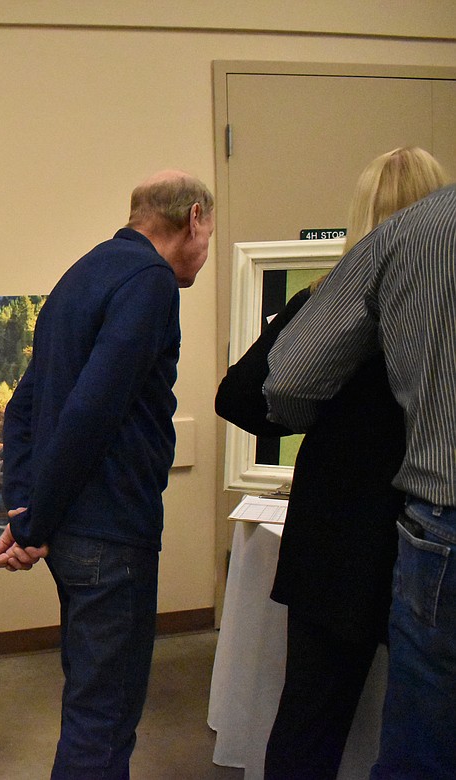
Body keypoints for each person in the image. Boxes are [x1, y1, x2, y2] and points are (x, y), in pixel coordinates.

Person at [216, 147, 449, 779]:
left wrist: (320, 416)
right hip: (425, 529)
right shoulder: (438, 316)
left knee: (312, 716)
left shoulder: (331, 302)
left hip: (342, 536)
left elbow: (240, 396)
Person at [0, 170, 214, 778]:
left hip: (74, 536)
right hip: (110, 533)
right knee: (103, 722)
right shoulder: (152, 282)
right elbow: (90, 412)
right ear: (193, 217)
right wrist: (32, 523)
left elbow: (24, 406)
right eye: (209, 230)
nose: (208, 249)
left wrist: (25, 506)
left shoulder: (80, 274)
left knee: (89, 704)